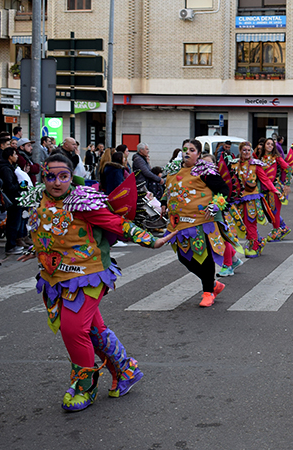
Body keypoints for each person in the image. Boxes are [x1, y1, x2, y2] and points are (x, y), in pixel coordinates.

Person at [16, 153, 174, 412]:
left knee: (73, 329)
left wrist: (151, 240)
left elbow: (117, 223)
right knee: (93, 330)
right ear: (43, 176)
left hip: (88, 275)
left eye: (63, 176)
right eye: (50, 176)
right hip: (55, 278)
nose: (57, 182)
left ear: (71, 176)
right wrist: (36, 250)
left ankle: (85, 386)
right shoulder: (41, 200)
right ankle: (126, 370)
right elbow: (50, 230)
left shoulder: (83, 202)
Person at [164, 140, 232, 307]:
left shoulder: (205, 171)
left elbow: (224, 190)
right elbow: (169, 190)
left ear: (199, 154)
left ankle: (208, 292)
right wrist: (164, 203)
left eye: (192, 150)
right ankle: (213, 284)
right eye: (185, 149)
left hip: (202, 222)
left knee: (204, 256)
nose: (187, 152)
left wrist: (216, 204)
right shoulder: (174, 170)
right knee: (183, 257)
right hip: (179, 224)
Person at [231, 141, 283, 260]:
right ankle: (258, 241)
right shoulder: (233, 165)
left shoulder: (256, 165)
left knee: (250, 223)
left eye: (249, 150)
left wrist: (275, 190)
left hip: (252, 198)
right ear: (240, 151)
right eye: (244, 150)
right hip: (238, 199)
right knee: (238, 224)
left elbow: (265, 179)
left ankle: (254, 246)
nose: (246, 153)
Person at [255, 137, 292, 241]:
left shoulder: (276, 158)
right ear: (264, 145)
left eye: (272, 144)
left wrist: (287, 184)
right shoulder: (259, 159)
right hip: (263, 189)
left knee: (274, 211)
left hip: (274, 188)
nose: (270, 146)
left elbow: (288, 168)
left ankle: (277, 230)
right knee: (268, 211)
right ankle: (283, 227)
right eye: (268, 144)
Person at [0, 147, 23, 255]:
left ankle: (12, 244)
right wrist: (21, 185)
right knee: (13, 223)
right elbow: (9, 186)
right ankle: (11, 246)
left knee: (14, 222)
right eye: (15, 154)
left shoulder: (9, 167)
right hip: (12, 199)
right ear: (10, 156)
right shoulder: (6, 169)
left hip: (13, 198)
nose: (16, 157)